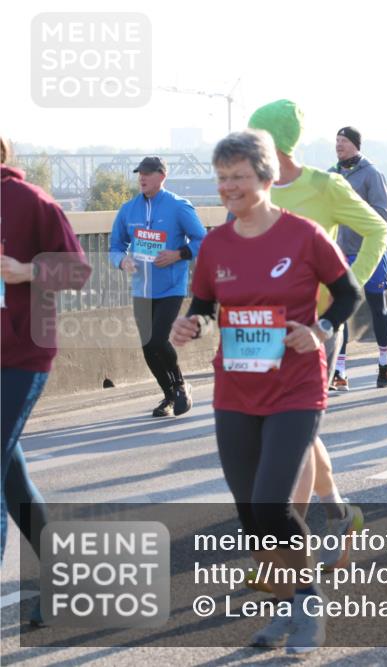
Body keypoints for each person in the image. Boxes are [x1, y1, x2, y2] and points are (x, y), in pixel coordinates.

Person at [170, 130, 362, 653]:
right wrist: (192, 324)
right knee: (252, 518)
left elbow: (348, 293)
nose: (228, 186)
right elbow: (204, 304)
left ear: (265, 177)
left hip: (296, 386)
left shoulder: (303, 235)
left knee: (272, 504)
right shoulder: (216, 244)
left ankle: (308, 605)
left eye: (238, 176)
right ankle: (285, 609)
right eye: (222, 177)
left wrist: (320, 329)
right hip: (235, 389)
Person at [248, 100, 387, 575]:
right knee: (295, 432)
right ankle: (341, 515)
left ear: (276, 143)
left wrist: (347, 288)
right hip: (263, 327)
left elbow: (377, 230)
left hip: (315, 326)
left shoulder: (325, 186)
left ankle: (285, 552)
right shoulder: (252, 189)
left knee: (291, 433)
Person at [2, 137, 92, 626]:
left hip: (22, 353)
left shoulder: (30, 201)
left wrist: (25, 269)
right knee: (10, 476)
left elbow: (78, 270)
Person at [110, 157, 206, 417]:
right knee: (147, 346)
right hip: (141, 289)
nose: (142, 177)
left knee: (158, 339)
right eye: (140, 173)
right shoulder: (128, 209)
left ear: (162, 176)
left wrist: (178, 254)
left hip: (171, 287)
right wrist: (122, 261)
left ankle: (181, 385)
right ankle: (169, 396)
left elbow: (202, 240)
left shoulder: (178, 206)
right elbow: (115, 247)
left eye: (148, 173)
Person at [329, 126, 387, 389]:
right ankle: (340, 371)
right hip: (340, 252)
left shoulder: (372, 173)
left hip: (369, 250)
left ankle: (384, 362)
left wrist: (354, 218)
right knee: (340, 309)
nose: (338, 145)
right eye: (336, 141)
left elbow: (382, 213)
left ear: (356, 144)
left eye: (343, 140)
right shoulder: (331, 175)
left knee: (377, 306)